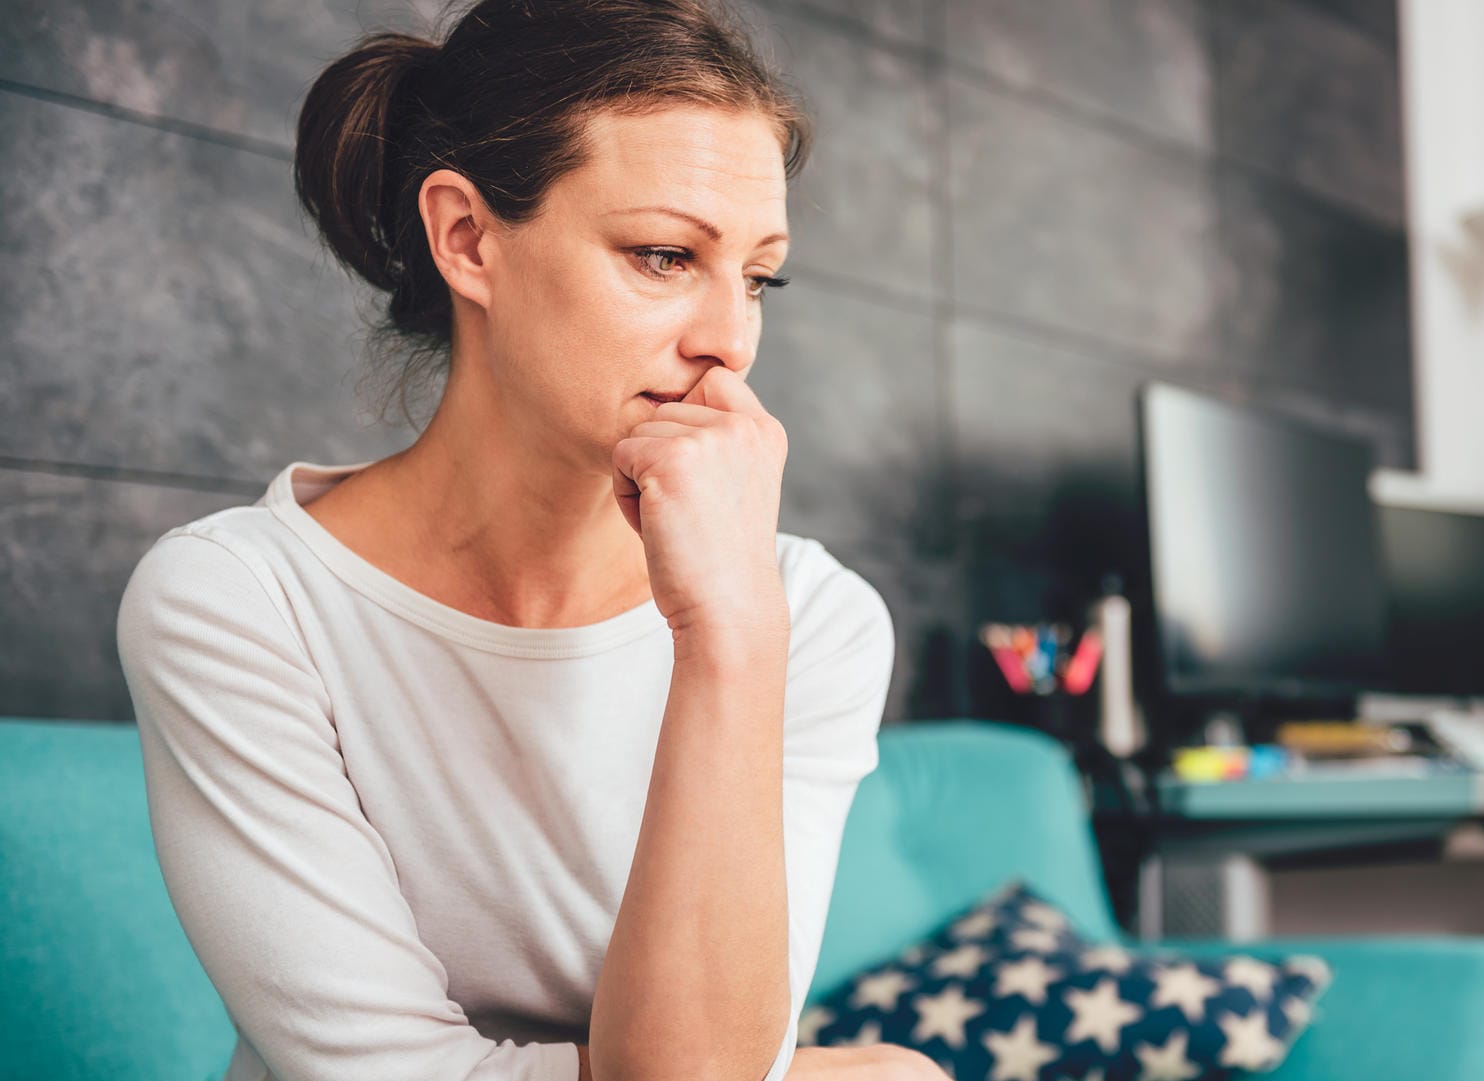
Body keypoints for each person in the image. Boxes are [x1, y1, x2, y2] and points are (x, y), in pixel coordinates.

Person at [115, 2, 944, 1079]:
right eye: (661, 255)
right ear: (467, 238)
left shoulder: (812, 617)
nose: (729, 342)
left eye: (756, 277)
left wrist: (730, 636)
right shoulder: (236, 602)